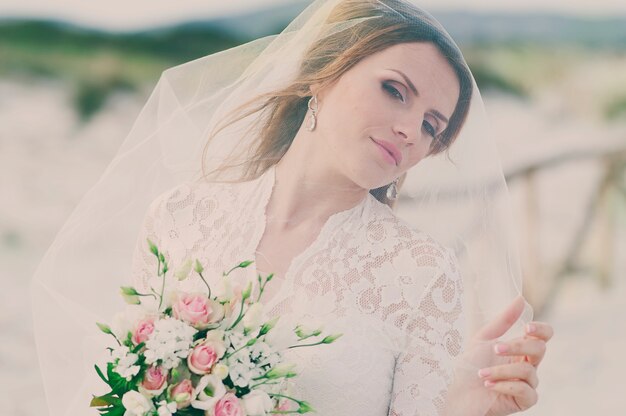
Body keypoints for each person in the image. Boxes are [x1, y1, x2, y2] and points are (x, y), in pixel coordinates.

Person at [30, 0, 553, 415]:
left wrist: (459, 409)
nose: (409, 131)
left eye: (431, 126)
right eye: (395, 91)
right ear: (323, 74)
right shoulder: (180, 216)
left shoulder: (421, 273)